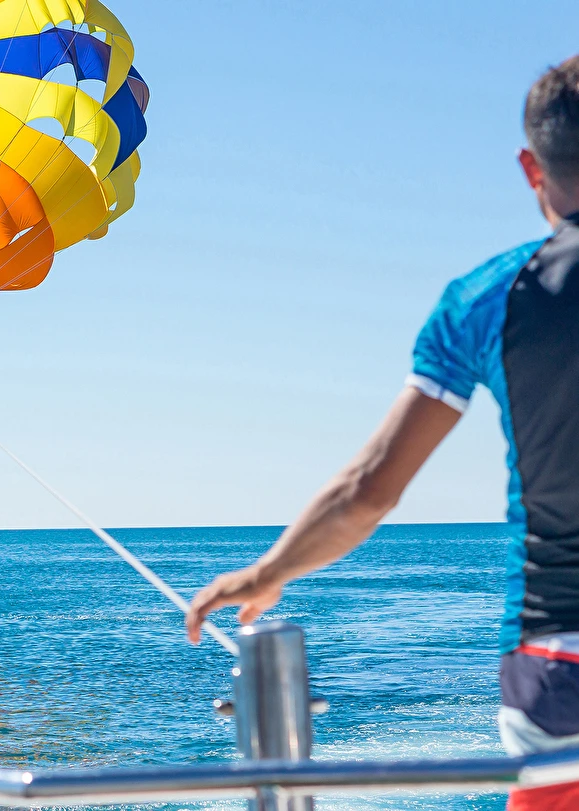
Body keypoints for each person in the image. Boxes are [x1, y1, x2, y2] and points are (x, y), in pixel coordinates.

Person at [185, 57, 579, 811]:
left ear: (531, 168)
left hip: (556, 666)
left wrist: (269, 571)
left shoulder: (486, 298)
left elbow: (369, 489)